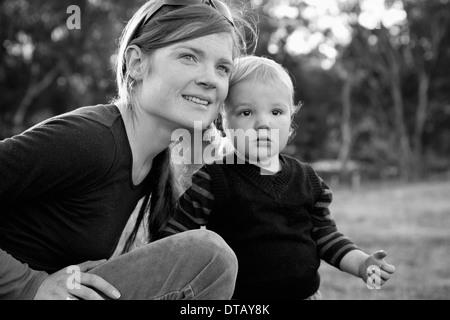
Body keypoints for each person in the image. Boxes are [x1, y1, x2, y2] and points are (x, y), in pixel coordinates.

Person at [0, 0, 257, 300]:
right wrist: (29, 285)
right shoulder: (91, 141)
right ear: (136, 63)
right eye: (189, 56)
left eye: (222, 68)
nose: (210, 79)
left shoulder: (153, 163)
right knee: (209, 257)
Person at [162, 55, 396, 300]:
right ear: (224, 122)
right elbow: (176, 237)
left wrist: (361, 264)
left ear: (290, 121)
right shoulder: (213, 180)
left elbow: (327, 237)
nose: (263, 124)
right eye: (246, 112)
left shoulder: (308, 180)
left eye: (276, 111)